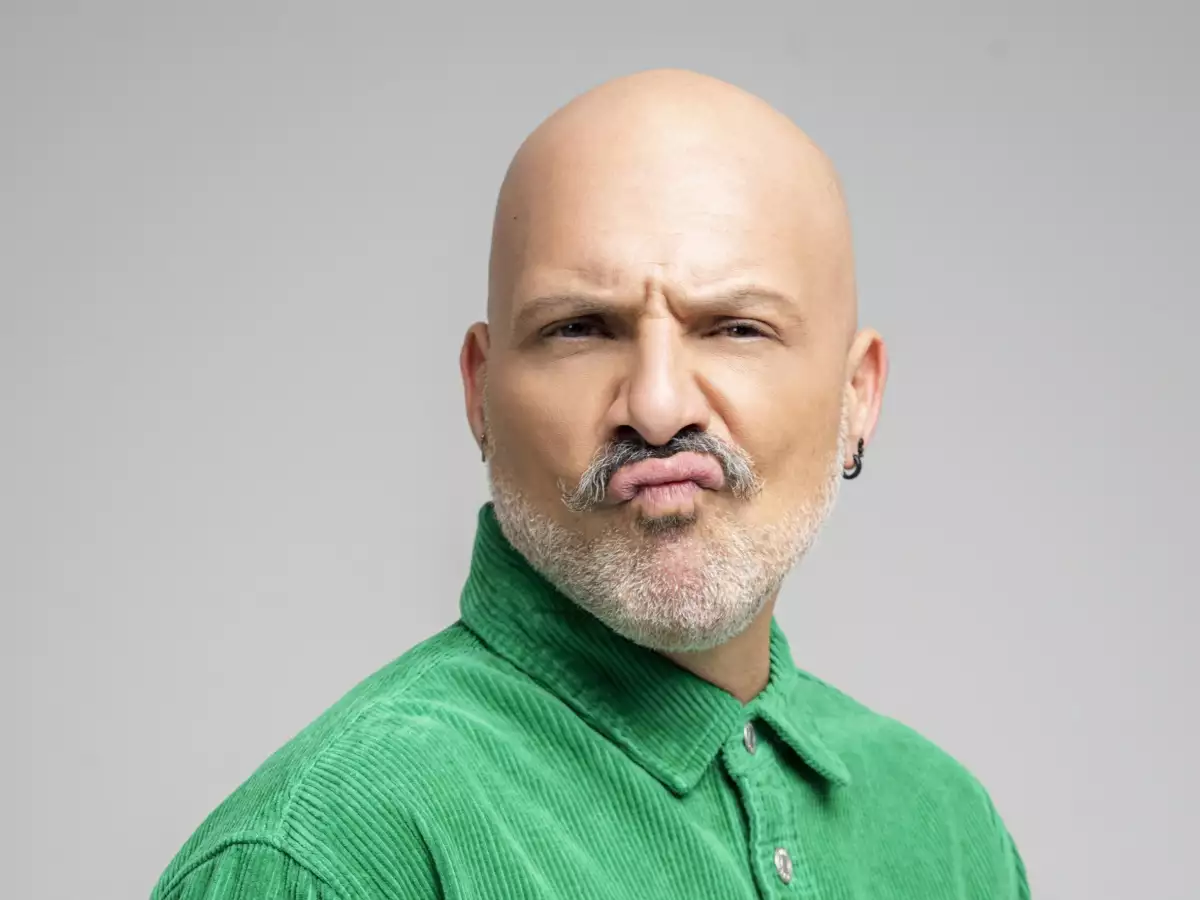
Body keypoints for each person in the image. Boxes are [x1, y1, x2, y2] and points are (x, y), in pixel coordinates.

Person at [151, 69, 1029, 899]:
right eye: (580, 328)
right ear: (479, 391)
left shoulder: (948, 829)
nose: (658, 407)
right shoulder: (324, 858)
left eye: (736, 328)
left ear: (857, 395)